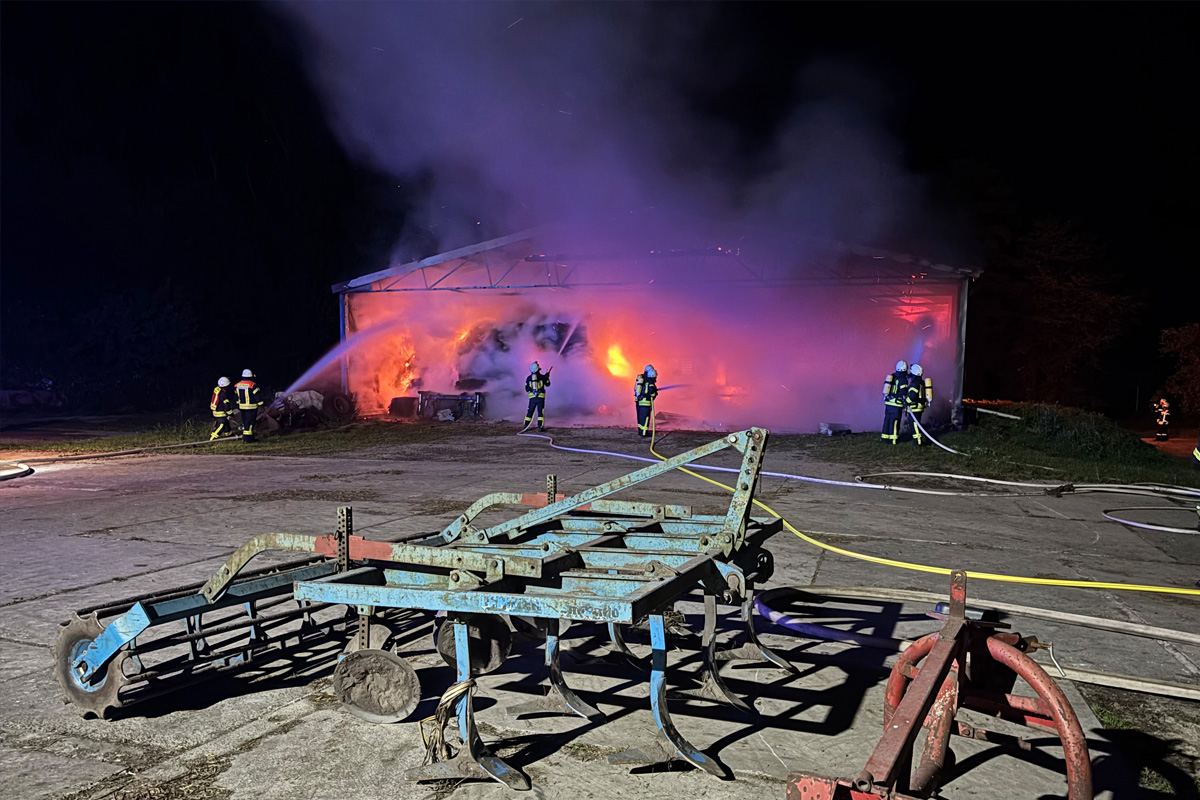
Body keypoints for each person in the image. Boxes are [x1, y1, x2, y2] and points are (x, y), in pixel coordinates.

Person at [881, 360, 908, 444]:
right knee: (895, 422)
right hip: (896, 404)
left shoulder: (892, 376)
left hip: (888, 403)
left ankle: (884, 439)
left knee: (887, 421)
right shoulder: (903, 379)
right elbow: (903, 391)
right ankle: (893, 440)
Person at [234, 369, 264, 443]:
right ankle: (248, 439)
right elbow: (257, 397)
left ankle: (249, 437)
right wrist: (261, 405)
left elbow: (236, 396)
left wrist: (237, 404)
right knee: (250, 423)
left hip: (242, 407)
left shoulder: (237, 385)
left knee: (245, 422)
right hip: (251, 407)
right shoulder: (253, 385)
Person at [905, 364, 932, 445]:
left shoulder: (915, 383)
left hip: (914, 407)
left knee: (914, 424)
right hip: (919, 406)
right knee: (916, 423)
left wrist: (906, 401)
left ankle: (917, 441)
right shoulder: (921, 382)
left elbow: (912, 396)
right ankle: (918, 440)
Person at [521, 361, 551, 432]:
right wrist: (546, 377)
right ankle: (540, 426)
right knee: (540, 412)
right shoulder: (542, 377)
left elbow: (527, 389)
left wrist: (532, 393)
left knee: (530, 411)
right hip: (540, 398)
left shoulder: (528, 378)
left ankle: (526, 425)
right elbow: (548, 384)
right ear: (538, 369)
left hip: (532, 399)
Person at [634, 365, 659, 437]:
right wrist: (655, 392)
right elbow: (652, 394)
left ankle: (640, 432)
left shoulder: (642, 380)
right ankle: (644, 433)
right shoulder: (650, 383)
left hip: (639, 402)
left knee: (640, 418)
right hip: (646, 404)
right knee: (646, 419)